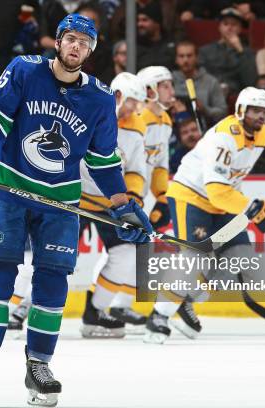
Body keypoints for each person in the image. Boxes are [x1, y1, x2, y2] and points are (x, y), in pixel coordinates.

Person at [0, 14, 153, 406]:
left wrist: (121, 203)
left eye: (85, 42)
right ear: (58, 42)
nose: (76, 46)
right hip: (10, 188)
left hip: (61, 202)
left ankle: (40, 364)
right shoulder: (24, 70)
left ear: (91, 51)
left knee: (53, 282)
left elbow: (103, 159)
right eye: (71, 39)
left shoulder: (98, 97)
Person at [144, 87, 265, 344]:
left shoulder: (262, 135)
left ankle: (186, 300)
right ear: (241, 110)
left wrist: (250, 210)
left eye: (264, 111)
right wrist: (252, 208)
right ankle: (159, 317)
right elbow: (216, 191)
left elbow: (230, 182)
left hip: (224, 204)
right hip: (191, 197)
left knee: (240, 259)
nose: (260, 116)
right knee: (195, 258)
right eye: (254, 110)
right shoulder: (224, 138)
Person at [79, 72, 148, 338]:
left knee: (127, 254)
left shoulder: (135, 127)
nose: (135, 109)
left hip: (111, 202)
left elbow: (135, 170)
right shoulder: (87, 112)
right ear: (117, 95)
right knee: (55, 256)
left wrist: (133, 200)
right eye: (132, 101)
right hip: (74, 198)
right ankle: (22, 308)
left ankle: (94, 312)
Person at [137, 66, 175, 231]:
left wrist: (162, 196)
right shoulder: (136, 120)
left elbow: (159, 164)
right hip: (115, 198)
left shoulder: (166, 121)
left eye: (171, 85)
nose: (172, 91)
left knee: (124, 251)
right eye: (165, 86)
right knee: (125, 251)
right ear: (150, 90)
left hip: (136, 198)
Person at [199, 7, 257, 96]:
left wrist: (240, 50)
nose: (229, 28)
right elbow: (201, 76)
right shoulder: (206, 50)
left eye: (234, 24)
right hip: (210, 91)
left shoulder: (247, 52)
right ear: (220, 27)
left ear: (240, 29)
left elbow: (250, 81)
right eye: (225, 24)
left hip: (237, 93)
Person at [172, 40, 227, 128]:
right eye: (181, 56)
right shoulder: (169, 81)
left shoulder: (211, 81)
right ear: (176, 59)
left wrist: (205, 109)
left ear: (197, 57)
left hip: (204, 129)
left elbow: (223, 112)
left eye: (189, 56)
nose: (185, 60)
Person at [136, 1, 175, 70]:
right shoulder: (135, 46)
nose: (140, 24)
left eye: (144, 20)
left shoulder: (171, 44)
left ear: (157, 23)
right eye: (138, 20)